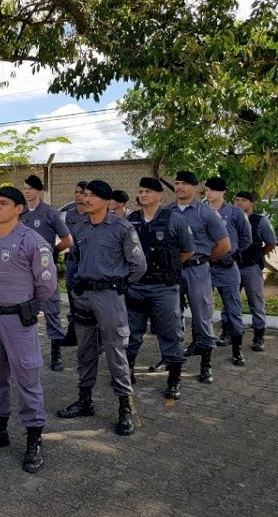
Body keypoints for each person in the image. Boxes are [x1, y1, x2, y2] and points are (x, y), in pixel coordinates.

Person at [0, 186, 57, 473]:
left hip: (18, 320)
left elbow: (46, 285)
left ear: (19, 208)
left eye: (3, 203)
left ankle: (34, 437)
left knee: (27, 377)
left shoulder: (33, 241)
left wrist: (26, 305)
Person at [56, 180, 147, 436]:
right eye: (85, 195)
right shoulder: (80, 226)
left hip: (109, 297)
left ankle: (124, 408)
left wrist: (118, 285)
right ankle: (85, 401)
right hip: (84, 295)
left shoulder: (122, 228)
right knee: (85, 350)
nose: (86, 200)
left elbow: (139, 266)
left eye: (93, 196)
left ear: (107, 201)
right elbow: (75, 258)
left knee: (115, 351)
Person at [125, 178, 194, 400]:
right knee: (131, 333)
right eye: (141, 191)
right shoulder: (131, 221)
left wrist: (166, 269)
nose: (143, 194)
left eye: (148, 191)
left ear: (159, 196)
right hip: (136, 287)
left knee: (171, 333)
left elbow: (187, 251)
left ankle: (174, 380)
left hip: (164, 288)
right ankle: (127, 373)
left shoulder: (174, 220)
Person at [168, 171, 230, 384]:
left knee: (202, 317)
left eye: (185, 183)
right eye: (177, 183)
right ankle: (171, 361)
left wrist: (203, 259)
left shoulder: (206, 213)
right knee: (171, 318)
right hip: (173, 270)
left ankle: (206, 364)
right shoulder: (167, 212)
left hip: (197, 270)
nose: (179, 187)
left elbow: (224, 245)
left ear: (195, 187)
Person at [20, 175, 73, 371]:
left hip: (44, 270)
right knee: (24, 310)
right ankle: (25, 352)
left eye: (30, 188)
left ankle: (56, 353)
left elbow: (68, 240)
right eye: (25, 188)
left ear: (38, 191)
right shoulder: (20, 212)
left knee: (52, 311)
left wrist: (52, 252)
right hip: (24, 270)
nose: (27, 192)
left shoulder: (50, 213)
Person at [204, 177, 252, 366]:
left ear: (223, 192)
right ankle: (202, 348)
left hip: (226, 267)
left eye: (213, 190)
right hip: (204, 267)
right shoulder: (201, 211)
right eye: (207, 189)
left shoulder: (235, 213)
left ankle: (237, 351)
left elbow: (246, 239)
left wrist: (231, 254)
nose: (209, 193)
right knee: (203, 310)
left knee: (233, 309)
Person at [234, 191, 277, 352]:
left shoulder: (259, 221)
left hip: (251, 267)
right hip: (232, 267)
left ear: (251, 203)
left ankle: (259, 336)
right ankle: (228, 332)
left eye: (243, 200)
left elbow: (271, 243)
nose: (239, 203)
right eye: (236, 200)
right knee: (230, 301)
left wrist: (258, 255)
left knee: (256, 303)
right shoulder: (231, 220)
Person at [58, 180, 88, 347]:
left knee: (89, 299)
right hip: (73, 261)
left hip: (89, 262)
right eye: (76, 192)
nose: (78, 195)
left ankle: (94, 337)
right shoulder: (70, 215)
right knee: (73, 297)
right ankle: (73, 332)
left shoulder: (94, 214)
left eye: (82, 193)